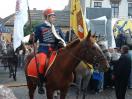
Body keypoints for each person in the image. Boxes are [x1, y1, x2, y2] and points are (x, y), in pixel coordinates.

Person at [29, 8, 66, 94]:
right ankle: (40, 84)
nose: (54, 18)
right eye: (52, 16)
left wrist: (61, 43)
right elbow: (33, 41)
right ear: (47, 17)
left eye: (54, 16)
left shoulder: (57, 28)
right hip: (44, 49)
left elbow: (63, 40)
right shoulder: (39, 27)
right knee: (41, 63)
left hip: (55, 50)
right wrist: (32, 37)